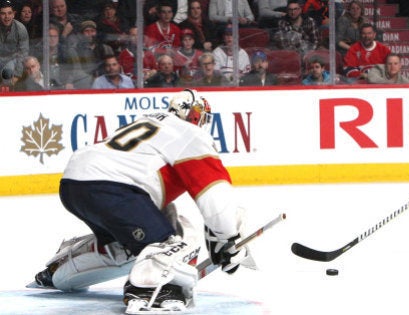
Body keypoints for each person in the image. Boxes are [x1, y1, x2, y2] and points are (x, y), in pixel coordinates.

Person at [31, 89, 252, 313]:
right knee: (179, 239)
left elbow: (155, 204)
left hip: (73, 185)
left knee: (124, 248)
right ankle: (152, 289)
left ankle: (58, 272)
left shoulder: (151, 123)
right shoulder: (190, 135)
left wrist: (221, 238)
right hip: (115, 190)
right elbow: (215, 195)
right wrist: (229, 239)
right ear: (195, 115)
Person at [0, 0, 28, 85]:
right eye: (3, 13)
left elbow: (23, 53)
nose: (7, 17)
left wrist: (17, 75)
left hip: (12, 60)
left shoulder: (20, 29)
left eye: (9, 13)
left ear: (14, 14)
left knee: (8, 72)